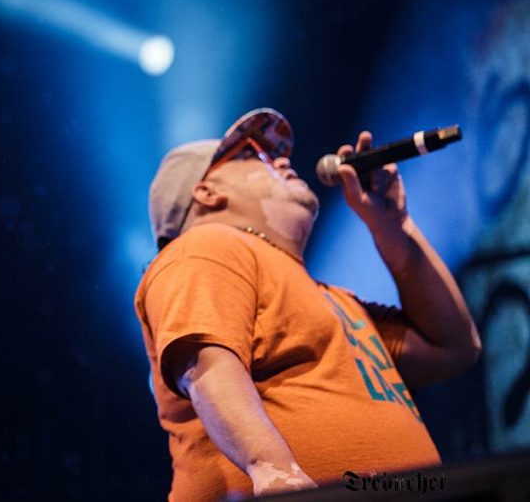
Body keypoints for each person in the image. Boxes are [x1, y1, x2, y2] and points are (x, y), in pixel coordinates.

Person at [135, 108, 481, 501]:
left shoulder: (331, 298)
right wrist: (274, 470)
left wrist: (393, 226)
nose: (283, 160)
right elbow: (207, 367)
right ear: (207, 193)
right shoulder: (205, 247)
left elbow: (452, 348)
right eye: (254, 155)